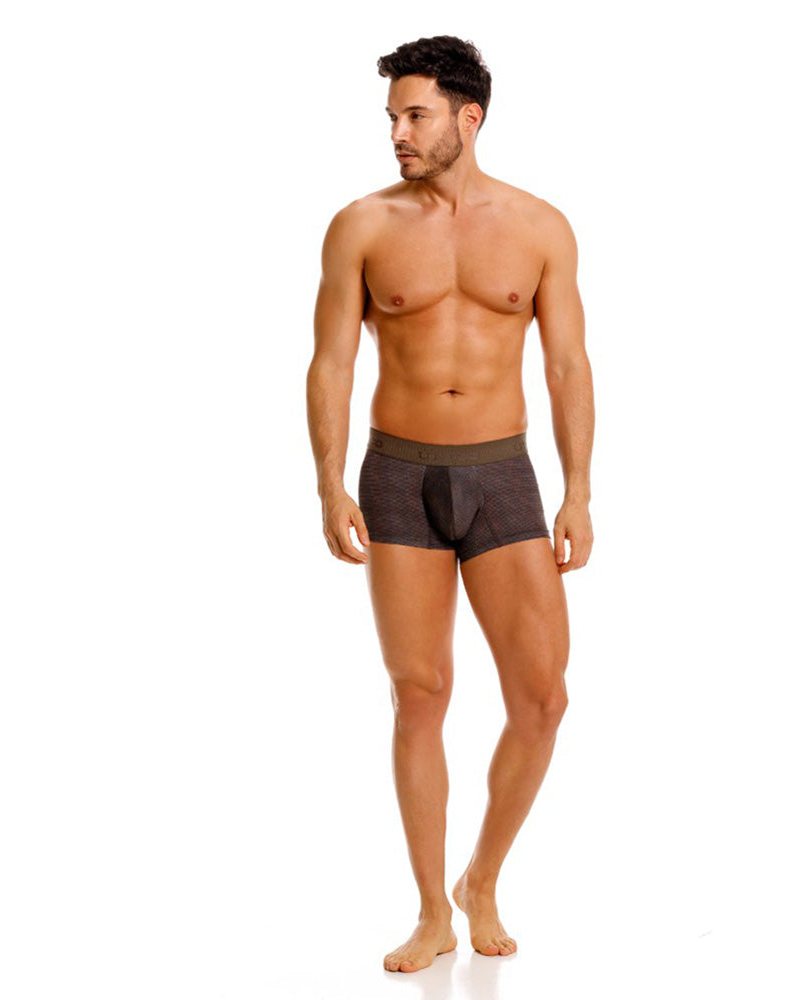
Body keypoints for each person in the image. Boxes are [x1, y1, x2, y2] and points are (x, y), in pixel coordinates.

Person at [306, 35, 594, 974]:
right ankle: (433, 910)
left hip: (504, 475)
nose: (398, 131)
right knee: (420, 693)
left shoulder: (541, 226)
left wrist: (579, 489)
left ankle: (482, 878)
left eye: (416, 114)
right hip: (399, 476)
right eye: (392, 116)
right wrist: (329, 480)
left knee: (543, 698)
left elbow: (566, 365)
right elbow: (331, 363)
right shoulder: (361, 225)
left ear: (469, 119)